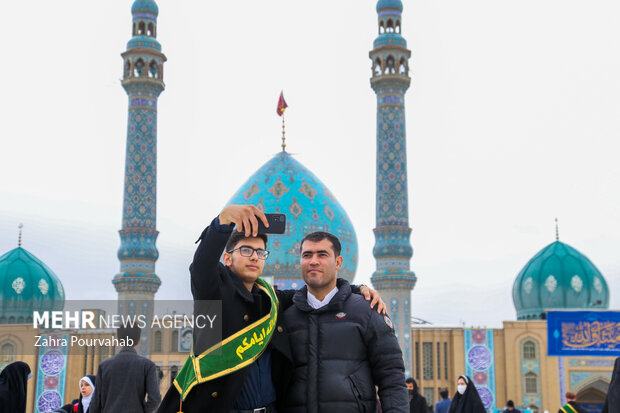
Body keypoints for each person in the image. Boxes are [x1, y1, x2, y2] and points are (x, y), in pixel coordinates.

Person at [157, 205, 385, 413]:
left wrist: (358, 289)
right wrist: (222, 222)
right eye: (246, 250)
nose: (254, 257)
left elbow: (313, 292)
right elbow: (202, 265)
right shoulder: (214, 293)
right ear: (227, 258)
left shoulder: (271, 298)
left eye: (260, 252)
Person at [279, 231, 409, 412]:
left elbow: (391, 377)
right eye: (307, 255)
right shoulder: (286, 317)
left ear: (338, 262)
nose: (313, 261)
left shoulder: (367, 311)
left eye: (322, 255)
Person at [89, 326, 161, 413]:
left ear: (119, 341)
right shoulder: (148, 366)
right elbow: (155, 399)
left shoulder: (104, 366)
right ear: (138, 341)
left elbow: (96, 403)